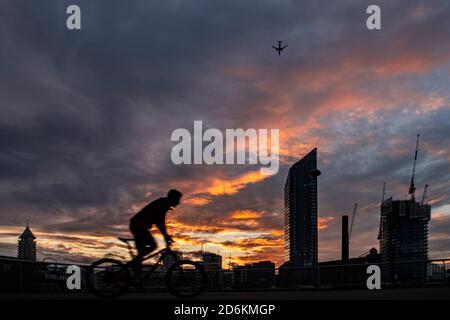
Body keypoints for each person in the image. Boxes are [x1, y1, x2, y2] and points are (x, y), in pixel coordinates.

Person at [130, 189, 182, 268]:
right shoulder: (162, 204)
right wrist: (165, 236)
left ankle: (136, 266)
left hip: (139, 226)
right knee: (153, 246)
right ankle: (135, 263)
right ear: (172, 198)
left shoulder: (164, 204)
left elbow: (160, 222)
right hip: (138, 226)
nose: (178, 203)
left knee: (141, 255)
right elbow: (160, 222)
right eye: (177, 200)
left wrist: (165, 235)